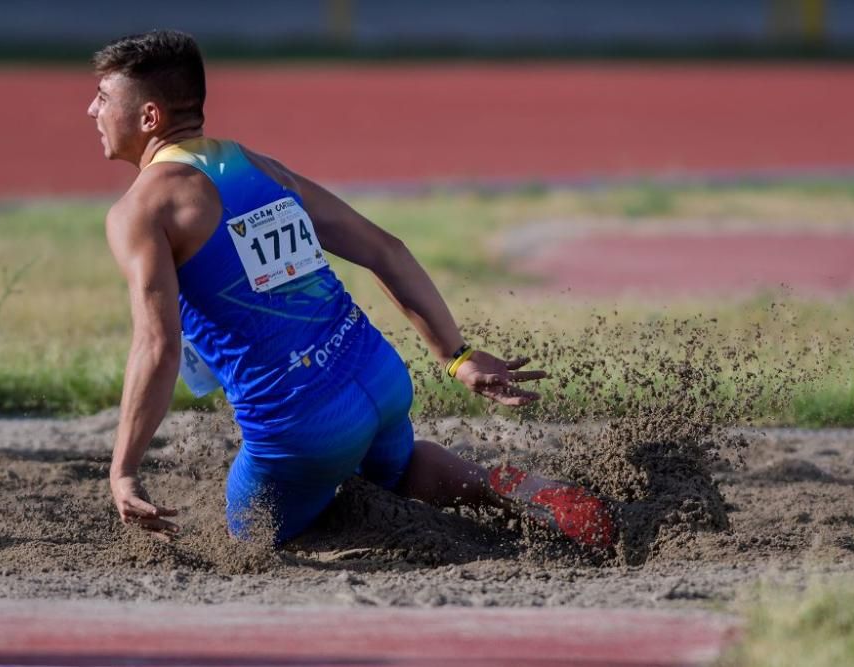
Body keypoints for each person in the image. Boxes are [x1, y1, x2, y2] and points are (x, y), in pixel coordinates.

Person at [87, 29, 614, 549]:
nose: (92, 111)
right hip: (377, 376)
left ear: (149, 117)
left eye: (103, 97)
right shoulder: (256, 166)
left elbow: (157, 347)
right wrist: (458, 356)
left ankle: (371, 534)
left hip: (300, 426)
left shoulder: (142, 210)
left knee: (249, 541)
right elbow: (386, 249)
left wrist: (124, 470)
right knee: (402, 469)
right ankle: (535, 492)